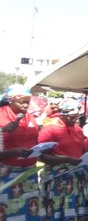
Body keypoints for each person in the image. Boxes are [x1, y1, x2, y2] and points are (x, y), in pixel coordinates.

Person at [0, 85, 43, 220]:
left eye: (28, 102)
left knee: (30, 210)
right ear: (10, 100)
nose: (26, 105)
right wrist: (15, 152)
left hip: (29, 173)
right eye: (21, 101)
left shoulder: (30, 118)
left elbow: (34, 141)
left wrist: (39, 149)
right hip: (6, 174)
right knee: (6, 210)